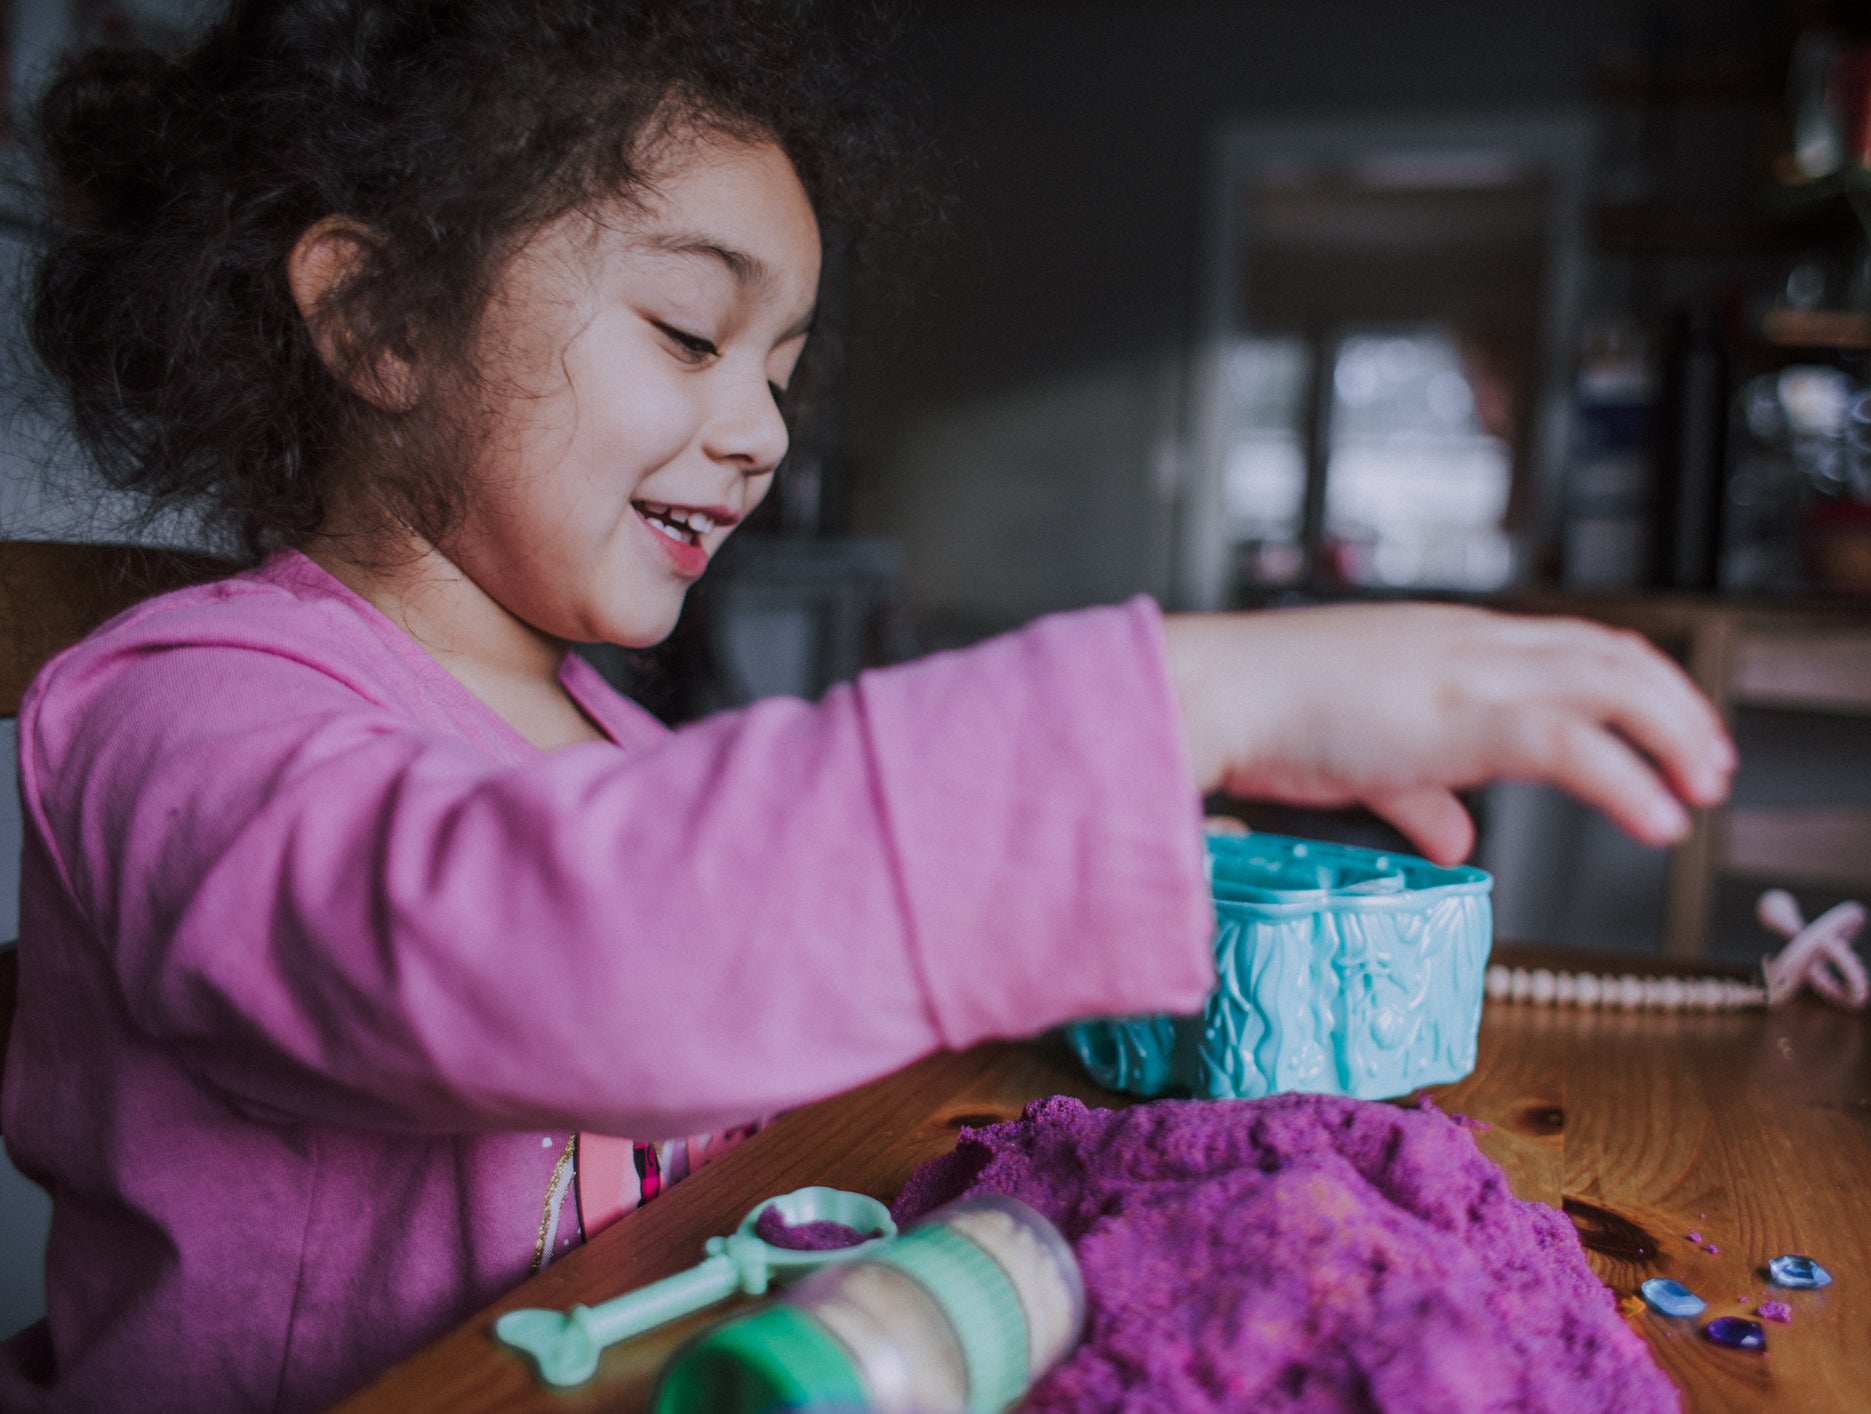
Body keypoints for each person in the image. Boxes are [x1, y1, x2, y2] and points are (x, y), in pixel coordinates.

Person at [1, 1, 1733, 1407]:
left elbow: (759, 1010)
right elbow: (551, 948)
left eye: (783, 367)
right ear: (378, 319)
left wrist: (1103, 876)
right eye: (691, 331)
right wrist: (1183, 695)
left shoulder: (628, 747)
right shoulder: (183, 712)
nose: (760, 429)